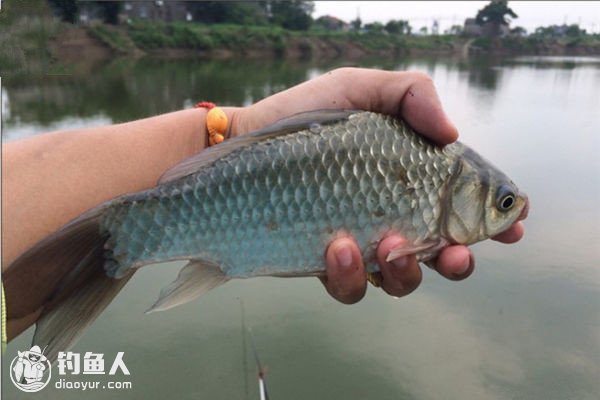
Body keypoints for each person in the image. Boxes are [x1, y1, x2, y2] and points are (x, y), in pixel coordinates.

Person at [2, 68, 525, 341]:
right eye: (501, 203)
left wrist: (224, 134)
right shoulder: (435, 169)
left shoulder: (429, 169)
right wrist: (228, 135)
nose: (505, 213)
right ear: (462, 191)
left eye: (502, 204)